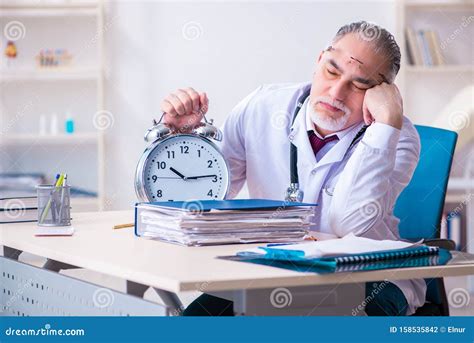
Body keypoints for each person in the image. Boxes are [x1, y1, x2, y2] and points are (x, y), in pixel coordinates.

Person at [159, 21, 426, 316]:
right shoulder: (262, 107)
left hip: (368, 277)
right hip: (268, 269)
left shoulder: (397, 137)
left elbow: (349, 224)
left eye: (360, 84)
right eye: (332, 71)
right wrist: (179, 140)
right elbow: (205, 202)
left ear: (382, 92)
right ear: (318, 60)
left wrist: (385, 125)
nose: (336, 93)